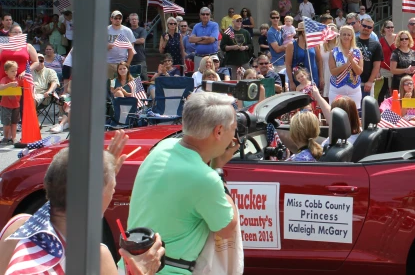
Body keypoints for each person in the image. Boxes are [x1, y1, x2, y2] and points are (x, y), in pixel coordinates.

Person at [0, 132, 165, 275]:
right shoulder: (95, 257)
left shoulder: (18, 226)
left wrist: (103, 175)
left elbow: (62, 197)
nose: (113, 192)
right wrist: (143, 271)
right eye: (112, 188)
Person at [127, 92, 240, 274]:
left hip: (131, 265)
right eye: (234, 128)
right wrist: (218, 171)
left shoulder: (161, 148)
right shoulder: (206, 179)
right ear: (218, 131)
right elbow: (227, 228)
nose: (235, 134)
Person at [329, 25, 363, 106]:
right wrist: (346, 65)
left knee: (354, 115)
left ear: (352, 37)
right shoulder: (334, 52)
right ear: (340, 36)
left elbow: (359, 71)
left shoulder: (357, 52)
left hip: (354, 90)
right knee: (336, 114)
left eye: (348, 35)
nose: (346, 37)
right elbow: (333, 72)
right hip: (336, 90)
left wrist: (352, 61)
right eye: (344, 34)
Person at [285, 22, 323, 91]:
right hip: (298, 79)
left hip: (313, 76)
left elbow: (319, 61)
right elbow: (288, 64)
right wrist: (291, 81)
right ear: (303, 32)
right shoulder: (291, 45)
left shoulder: (314, 44)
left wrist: (321, 77)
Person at [355, 17, 382, 98]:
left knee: (366, 108)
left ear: (372, 29)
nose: (366, 28)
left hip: (366, 83)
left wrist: (370, 81)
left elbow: (376, 66)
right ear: (360, 25)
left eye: (369, 27)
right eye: (364, 26)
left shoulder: (376, 45)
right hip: (351, 82)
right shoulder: (352, 41)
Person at [221, 15, 253, 79]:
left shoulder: (245, 32)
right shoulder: (227, 33)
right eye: (237, 21)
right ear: (233, 21)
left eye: (240, 21)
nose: (239, 22)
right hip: (231, 61)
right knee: (233, 80)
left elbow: (251, 45)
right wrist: (232, 47)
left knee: (246, 79)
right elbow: (223, 47)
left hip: (244, 61)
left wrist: (245, 47)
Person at [107, 11, 136, 80]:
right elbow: (98, 47)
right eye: (115, 18)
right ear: (111, 19)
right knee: (109, 85)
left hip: (122, 63)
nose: (118, 20)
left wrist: (127, 64)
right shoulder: (106, 30)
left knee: (122, 84)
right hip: (108, 63)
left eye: (119, 18)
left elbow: (131, 49)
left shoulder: (127, 31)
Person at [0, 61, 21, 145]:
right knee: (6, 122)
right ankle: (6, 137)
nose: (14, 73)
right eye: (12, 71)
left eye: (16, 71)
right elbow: (1, 87)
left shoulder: (18, 79)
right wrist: (9, 85)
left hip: (16, 105)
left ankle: (14, 137)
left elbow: (23, 88)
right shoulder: (4, 79)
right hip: (5, 105)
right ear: (6, 72)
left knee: (14, 122)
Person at [320, 24, 339, 99]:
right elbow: (320, 63)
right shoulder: (321, 46)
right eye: (330, 30)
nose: (332, 32)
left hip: (337, 74)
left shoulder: (341, 46)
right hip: (325, 74)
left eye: (333, 30)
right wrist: (321, 77)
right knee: (326, 97)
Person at [378, 21, 396, 101]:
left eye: (392, 27)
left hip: (396, 69)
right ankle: (381, 109)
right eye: (388, 27)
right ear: (384, 29)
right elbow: (378, 57)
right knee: (382, 91)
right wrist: (377, 71)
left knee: (395, 91)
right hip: (384, 69)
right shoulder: (381, 41)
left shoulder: (398, 38)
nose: (390, 29)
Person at [128, 13, 149, 80]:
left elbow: (142, 40)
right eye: (132, 19)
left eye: (135, 19)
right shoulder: (127, 30)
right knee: (130, 79)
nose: (134, 21)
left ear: (138, 21)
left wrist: (129, 41)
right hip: (128, 59)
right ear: (130, 21)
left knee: (144, 77)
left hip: (140, 58)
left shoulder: (142, 30)